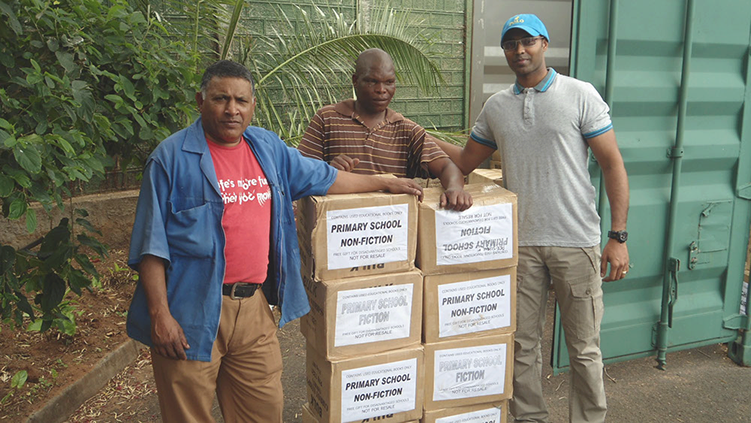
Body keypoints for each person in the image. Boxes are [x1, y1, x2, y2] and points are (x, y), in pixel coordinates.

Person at [125, 60, 424, 422]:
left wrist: (384, 181)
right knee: (189, 415)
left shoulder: (266, 147)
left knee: (264, 410)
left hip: (252, 308)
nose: (232, 109)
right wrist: (160, 315)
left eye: (241, 100)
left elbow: (326, 178)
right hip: (189, 310)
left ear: (253, 106)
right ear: (200, 101)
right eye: (221, 99)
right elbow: (150, 246)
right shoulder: (170, 159)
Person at [435, 14, 630, 423]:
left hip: (575, 240)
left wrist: (618, 236)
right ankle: (530, 418)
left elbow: (612, 164)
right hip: (519, 245)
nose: (518, 51)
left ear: (544, 44)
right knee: (522, 344)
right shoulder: (496, 107)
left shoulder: (579, 95)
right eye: (510, 44)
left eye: (527, 42)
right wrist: (416, 133)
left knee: (584, 347)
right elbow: (468, 160)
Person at [298, 48, 472, 211]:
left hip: (390, 228)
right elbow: (301, 172)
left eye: (389, 82)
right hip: (339, 226)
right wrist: (329, 171)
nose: (381, 90)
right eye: (372, 81)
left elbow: (446, 167)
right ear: (355, 81)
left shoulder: (406, 130)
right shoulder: (327, 118)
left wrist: (455, 188)